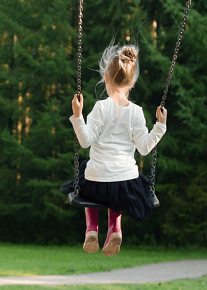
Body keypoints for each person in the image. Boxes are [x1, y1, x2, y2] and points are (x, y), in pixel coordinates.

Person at [61, 41, 167, 256]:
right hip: (125, 185)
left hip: (96, 183)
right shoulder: (136, 112)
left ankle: (91, 229)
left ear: (106, 78)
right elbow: (145, 148)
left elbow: (85, 141)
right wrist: (160, 127)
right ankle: (115, 228)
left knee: (85, 172)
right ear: (132, 81)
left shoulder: (101, 107)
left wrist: (77, 115)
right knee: (118, 186)